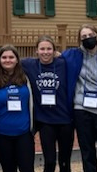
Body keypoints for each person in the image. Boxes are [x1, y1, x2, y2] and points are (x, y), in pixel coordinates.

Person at [62, 24, 97, 172]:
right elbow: (54, 56)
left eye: (90, 35)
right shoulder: (73, 56)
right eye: (84, 37)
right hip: (81, 109)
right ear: (80, 40)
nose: (88, 39)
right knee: (87, 152)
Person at [23, 36, 72, 172]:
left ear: (54, 51)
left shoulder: (63, 63)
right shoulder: (29, 64)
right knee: (49, 161)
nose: (46, 52)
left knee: (65, 161)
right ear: (36, 51)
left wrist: (62, 55)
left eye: (49, 49)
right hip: (45, 120)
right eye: (42, 49)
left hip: (65, 119)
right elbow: (6, 62)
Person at [0, 45, 34, 172]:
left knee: (27, 168)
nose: (8, 60)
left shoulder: (27, 77)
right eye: (4, 57)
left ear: (17, 59)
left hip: (24, 134)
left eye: (11, 57)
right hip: (2, 135)